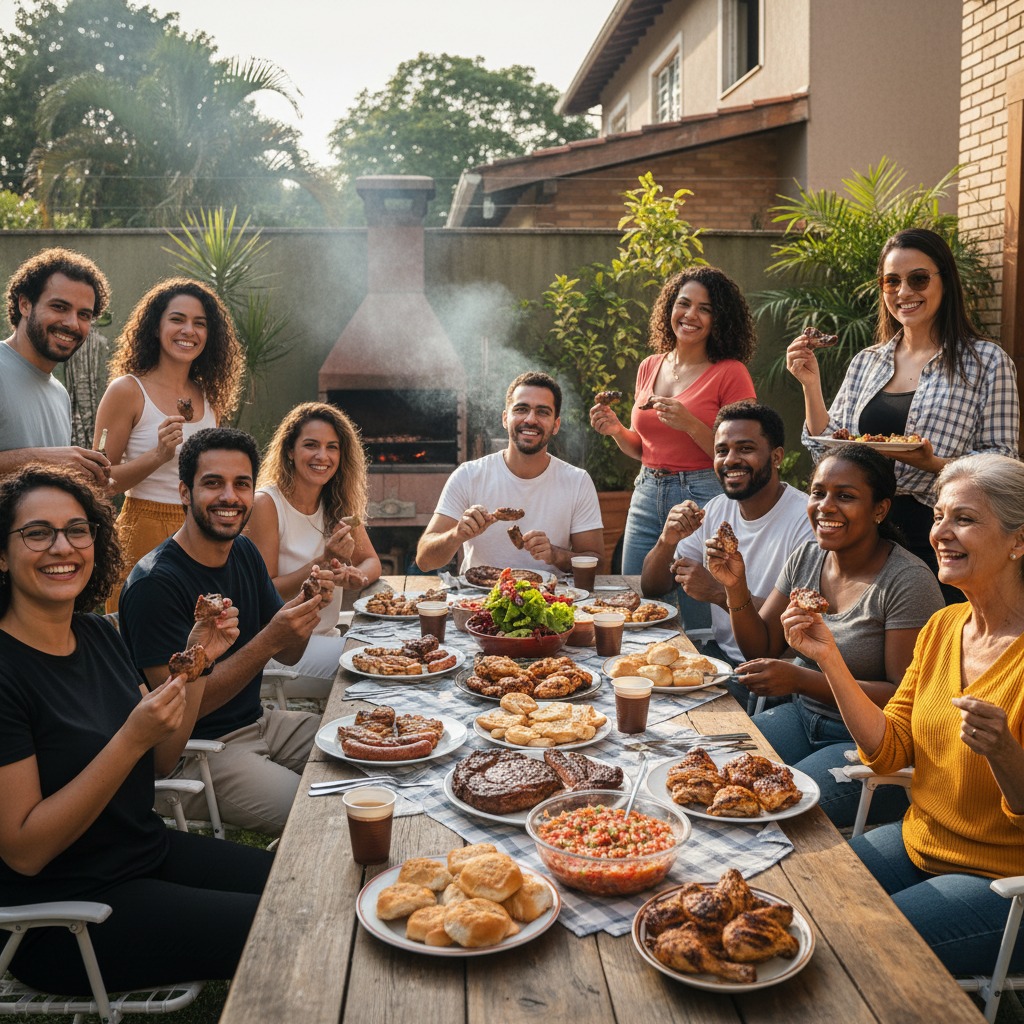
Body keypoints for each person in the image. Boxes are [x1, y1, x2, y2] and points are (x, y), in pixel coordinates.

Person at [0, 463, 269, 996]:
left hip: (144, 853)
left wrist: (196, 664)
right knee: (290, 925)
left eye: (78, 530)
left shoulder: (97, 633)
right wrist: (129, 739)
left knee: (306, 885)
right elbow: (24, 849)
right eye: (37, 532)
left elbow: (162, 759)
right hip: (68, 915)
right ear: (1, 555)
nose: (63, 547)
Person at [780, 453, 1024, 977]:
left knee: (853, 950)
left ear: (1018, 541)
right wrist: (827, 657)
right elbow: (890, 749)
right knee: (789, 899)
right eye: (938, 516)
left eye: (965, 519)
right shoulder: (943, 626)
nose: (940, 533)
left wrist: (1005, 753)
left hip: (1000, 879)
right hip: (918, 840)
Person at [707, 443, 944, 828]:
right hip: (802, 718)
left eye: (845, 496)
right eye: (818, 492)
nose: (825, 506)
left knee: (775, 811)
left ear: (880, 510)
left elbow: (906, 700)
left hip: (867, 748)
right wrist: (736, 587)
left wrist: (801, 679)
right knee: (720, 781)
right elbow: (762, 645)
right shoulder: (807, 556)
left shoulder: (907, 582)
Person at [788, 228, 1018, 600]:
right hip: (867, 534)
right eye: (891, 281)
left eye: (919, 279)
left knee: (935, 647)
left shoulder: (987, 362)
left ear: (945, 281)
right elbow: (832, 450)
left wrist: (934, 464)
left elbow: (1003, 464)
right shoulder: (866, 362)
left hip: (941, 535)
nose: (904, 292)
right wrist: (809, 386)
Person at [119, 427, 324, 833]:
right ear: (184, 492)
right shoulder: (154, 585)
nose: (230, 497)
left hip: (260, 721)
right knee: (317, 818)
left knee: (368, 748)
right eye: (213, 483)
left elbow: (287, 655)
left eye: (241, 484)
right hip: (200, 751)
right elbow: (175, 720)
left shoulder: (243, 551)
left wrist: (303, 612)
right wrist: (269, 639)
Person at [589, 265, 757, 584]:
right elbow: (643, 448)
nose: (690, 314)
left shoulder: (731, 373)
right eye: (684, 303)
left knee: (692, 603)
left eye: (704, 309)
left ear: (719, 319)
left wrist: (690, 423)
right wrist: (615, 431)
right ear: (670, 307)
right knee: (637, 593)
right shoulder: (650, 366)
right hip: (647, 491)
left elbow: (743, 457)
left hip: (702, 496)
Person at [94, 278, 244, 613]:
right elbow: (98, 484)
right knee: (137, 650)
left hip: (202, 531)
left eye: (199, 323)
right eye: (177, 319)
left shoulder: (209, 399)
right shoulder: (127, 391)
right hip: (142, 530)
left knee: (200, 646)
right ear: (156, 326)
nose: (188, 330)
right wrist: (157, 455)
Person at [640, 402, 814, 671]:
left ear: (776, 457)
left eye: (745, 449)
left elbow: (791, 625)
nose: (730, 459)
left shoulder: (805, 522)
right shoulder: (716, 509)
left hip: (768, 674)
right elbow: (653, 586)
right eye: (722, 450)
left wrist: (719, 591)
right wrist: (667, 540)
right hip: (716, 657)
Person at [246, 402, 381, 699]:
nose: (323, 456)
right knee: (377, 668)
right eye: (311, 445)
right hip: (281, 651)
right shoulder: (266, 504)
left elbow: (372, 562)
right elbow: (262, 593)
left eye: (332, 447)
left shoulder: (337, 504)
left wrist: (352, 574)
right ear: (290, 451)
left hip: (328, 639)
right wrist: (321, 564)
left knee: (392, 654)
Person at [416, 371, 604, 575]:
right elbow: (425, 560)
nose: (531, 419)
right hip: (479, 599)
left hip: (551, 601)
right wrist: (457, 535)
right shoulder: (469, 475)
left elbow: (599, 565)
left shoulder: (577, 481)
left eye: (543, 412)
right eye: (521, 409)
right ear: (506, 419)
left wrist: (555, 555)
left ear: (556, 425)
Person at [0, 247, 111, 486]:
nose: (72, 323)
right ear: (25, 305)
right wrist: (45, 458)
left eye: (84, 315)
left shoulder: (59, 394)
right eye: (59, 307)